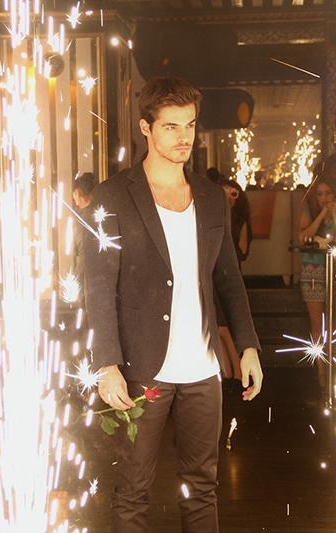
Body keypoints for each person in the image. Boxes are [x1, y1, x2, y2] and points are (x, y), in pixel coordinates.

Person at [83, 76, 263, 532]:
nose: (184, 137)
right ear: (146, 128)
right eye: (171, 127)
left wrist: (247, 346)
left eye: (190, 125)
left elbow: (228, 278)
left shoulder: (210, 197)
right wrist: (106, 364)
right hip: (141, 369)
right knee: (132, 491)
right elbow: (98, 286)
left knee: (202, 489)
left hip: (203, 369)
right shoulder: (112, 196)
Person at [298, 179, 336, 390]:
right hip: (313, 269)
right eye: (320, 194)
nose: (324, 198)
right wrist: (321, 215)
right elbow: (304, 237)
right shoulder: (308, 211)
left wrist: (334, 214)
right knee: (317, 323)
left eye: (328, 193)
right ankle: (321, 369)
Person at [219, 178, 252, 264]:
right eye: (225, 194)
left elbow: (243, 253)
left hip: (231, 266)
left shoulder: (240, 221)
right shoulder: (211, 218)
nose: (229, 198)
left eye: (233, 194)